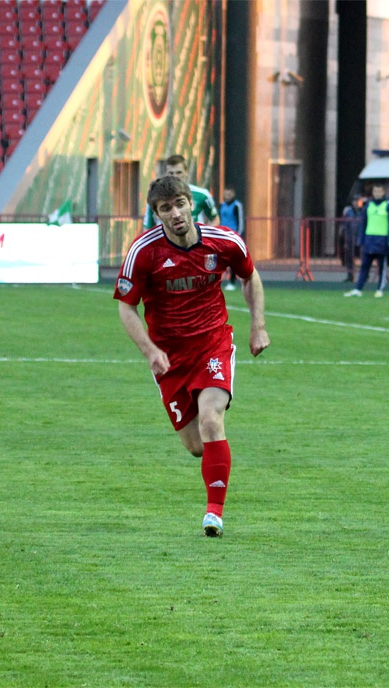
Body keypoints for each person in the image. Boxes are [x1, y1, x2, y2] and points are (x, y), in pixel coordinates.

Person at [114, 175, 270, 538]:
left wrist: (258, 326)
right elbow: (126, 307)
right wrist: (150, 351)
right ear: (156, 214)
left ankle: (214, 514)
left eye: (180, 204)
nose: (175, 213)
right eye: (165, 208)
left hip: (213, 344)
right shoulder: (143, 251)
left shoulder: (224, 241)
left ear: (191, 204)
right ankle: (212, 472)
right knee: (197, 447)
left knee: (212, 420)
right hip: (169, 359)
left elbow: (249, 276)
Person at [345, 184, 389, 298]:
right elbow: (363, 223)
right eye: (375, 191)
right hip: (369, 240)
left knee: (382, 267)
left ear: (383, 192)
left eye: (379, 191)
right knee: (364, 266)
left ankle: (379, 289)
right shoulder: (368, 205)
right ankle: (358, 289)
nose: (377, 194)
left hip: (382, 240)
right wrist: (361, 240)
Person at [143, 154, 219, 228]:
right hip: (166, 236)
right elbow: (147, 228)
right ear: (165, 174)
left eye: (179, 172)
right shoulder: (156, 198)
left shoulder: (202, 194)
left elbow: (215, 219)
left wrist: (203, 234)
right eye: (171, 173)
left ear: (186, 172)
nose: (175, 176)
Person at [219, 185, 246, 290]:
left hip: (232, 236)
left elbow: (240, 221)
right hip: (222, 235)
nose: (227, 196)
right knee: (220, 259)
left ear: (233, 194)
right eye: (225, 194)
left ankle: (232, 282)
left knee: (233, 260)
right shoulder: (222, 205)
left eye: (229, 194)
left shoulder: (237, 206)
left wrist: (237, 236)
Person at [340, 195, 366, 282]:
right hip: (350, 237)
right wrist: (344, 237)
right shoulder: (348, 212)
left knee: (364, 258)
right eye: (355, 201)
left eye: (358, 201)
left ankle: (364, 275)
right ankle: (350, 275)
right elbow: (344, 226)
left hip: (361, 238)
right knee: (349, 258)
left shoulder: (364, 211)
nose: (356, 203)